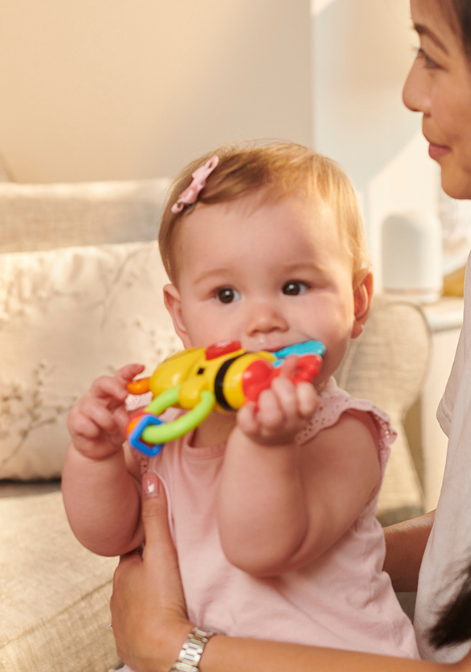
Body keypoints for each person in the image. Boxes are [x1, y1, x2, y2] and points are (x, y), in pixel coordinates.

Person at [107, 0, 471, 671]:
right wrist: (341, 548)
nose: (412, 93)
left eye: (432, 56)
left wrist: (177, 648)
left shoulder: (350, 426)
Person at [64, 142, 419, 664]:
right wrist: (94, 457)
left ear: (358, 300)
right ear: (181, 316)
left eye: (294, 286)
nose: (262, 321)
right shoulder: (170, 420)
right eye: (226, 295)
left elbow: (261, 548)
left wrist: (263, 441)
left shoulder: (344, 431)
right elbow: (109, 533)